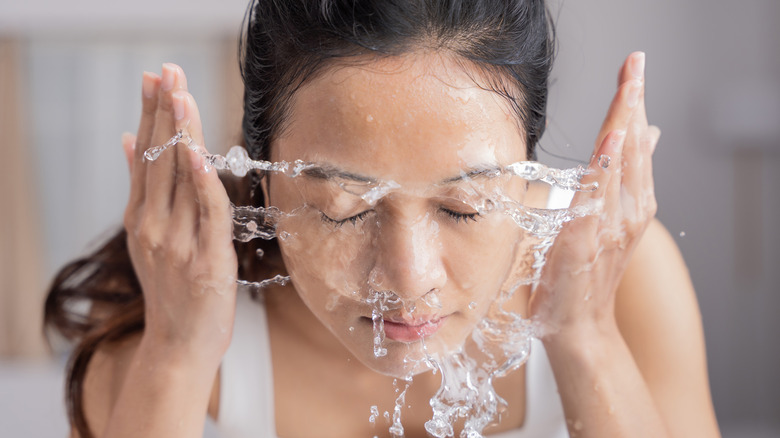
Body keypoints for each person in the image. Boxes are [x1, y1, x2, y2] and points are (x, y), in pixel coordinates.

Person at [44, 1, 722, 437]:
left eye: (465, 206)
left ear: (526, 161)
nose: (409, 278)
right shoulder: (159, 339)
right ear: (265, 175)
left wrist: (585, 335)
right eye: (344, 211)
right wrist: (176, 353)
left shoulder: (621, 276)